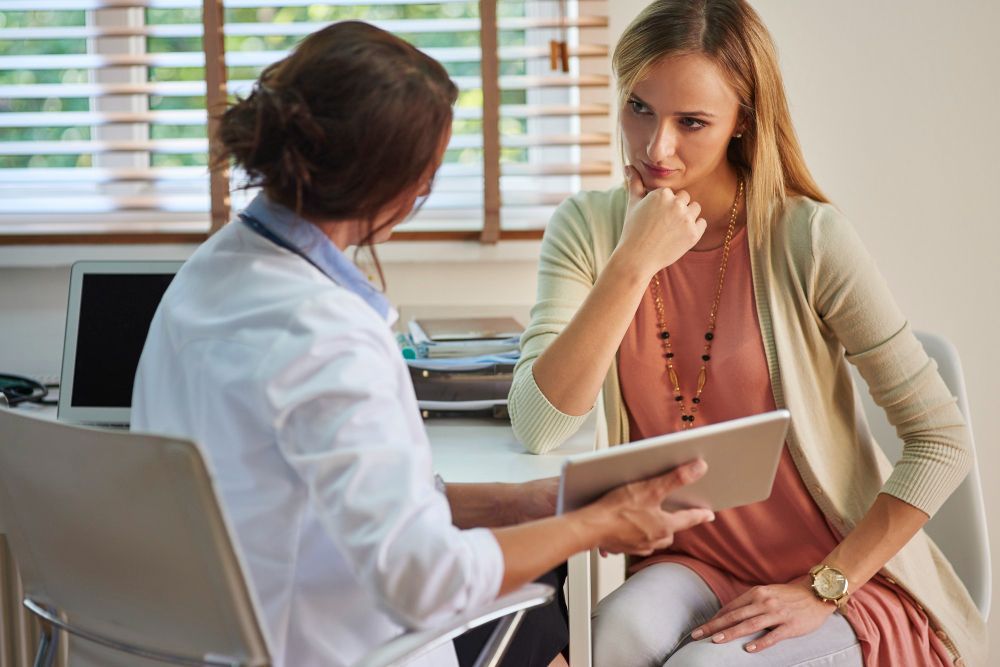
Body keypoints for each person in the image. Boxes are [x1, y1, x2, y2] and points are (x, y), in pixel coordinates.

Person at [130, 21, 716, 667]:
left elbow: (326, 490)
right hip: (328, 643)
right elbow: (425, 578)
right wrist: (596, 525)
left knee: (540, 588)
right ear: (400, 187)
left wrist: (515, 500)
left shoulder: (209, 273)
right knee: (546, 605)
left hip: (234, 626)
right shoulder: (329, 336)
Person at [506, 1, 987, 666]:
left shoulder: (807, 238)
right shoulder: (587, 230)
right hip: (694, 564)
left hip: (839, 575)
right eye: (639, 107)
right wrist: (633, 260)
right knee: (606, 639)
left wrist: (827, 584)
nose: (655, 146)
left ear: (743, 121)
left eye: (691, 122)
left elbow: (942, 439)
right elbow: (538, 423)